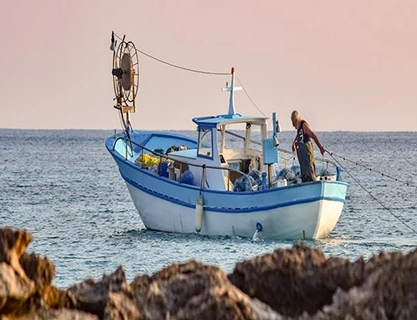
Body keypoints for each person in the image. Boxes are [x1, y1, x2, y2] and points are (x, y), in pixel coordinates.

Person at [291, 110, 325, 182]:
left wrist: (320, 147)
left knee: (309, 168)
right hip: (301, 152)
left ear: (296, 120)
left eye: (293, 124)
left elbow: (313, 135)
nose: (293, 126)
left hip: (306, 150)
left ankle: (312, 181)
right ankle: (305, 180)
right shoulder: (299, 128)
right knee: (304, 169)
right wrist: (294, 143)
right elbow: (299, 135)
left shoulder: (304, 125)